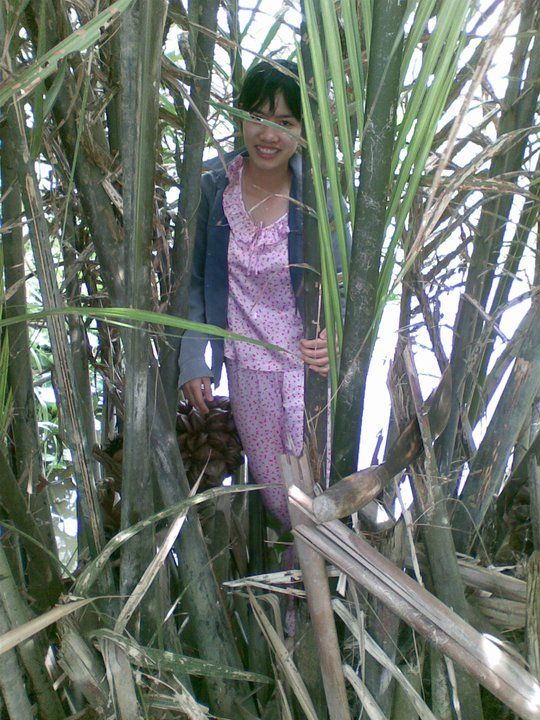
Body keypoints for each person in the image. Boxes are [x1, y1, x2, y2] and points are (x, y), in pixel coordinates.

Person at [178, 59, 331, 538]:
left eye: (284, 122)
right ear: (240, 117)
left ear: (302, 130)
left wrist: (335, 340)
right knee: (283, 504)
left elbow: (344, 283)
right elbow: (197, 283)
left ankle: (321, 603)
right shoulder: (214, 186)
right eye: (257, 118)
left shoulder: (318, 195)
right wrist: (192, 361)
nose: (268, 135)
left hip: (310, 368)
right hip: (249, 367)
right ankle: (298, 599)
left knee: (325, 491)